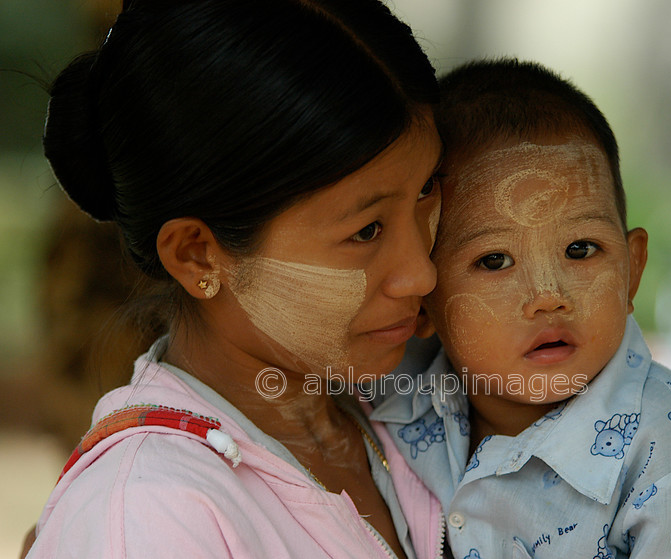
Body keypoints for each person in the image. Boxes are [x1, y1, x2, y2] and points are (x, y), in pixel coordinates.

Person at [25, 1, 447, 557]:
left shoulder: (422, 405)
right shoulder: (146, 517)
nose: (421, 273)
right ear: (199, 256)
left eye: (426, 191)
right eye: (366, 230)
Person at [369, 59, 671, 558]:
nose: (549, 296)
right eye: (494, 260)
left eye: (581, 249)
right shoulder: (394, 403)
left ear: (632, 270)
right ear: (422, 302)